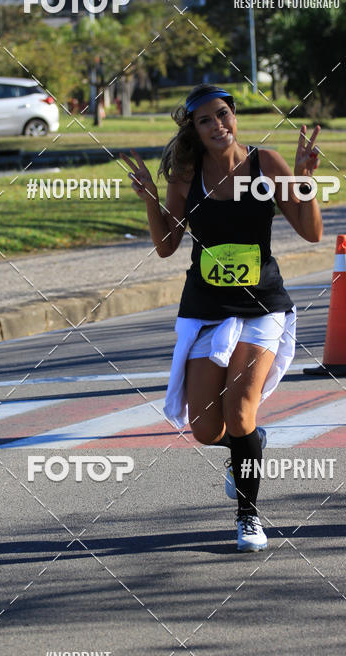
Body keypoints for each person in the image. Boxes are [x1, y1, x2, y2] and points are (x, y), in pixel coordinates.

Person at [120, 84, 322, 552]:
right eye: (206, 119)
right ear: (193, 127)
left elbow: (311, 232)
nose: (218, 125)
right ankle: (248, 445)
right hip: (207, 308)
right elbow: (167, 246)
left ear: (235, 117)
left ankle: (248, 517)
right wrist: (151, 197)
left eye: (224, 114)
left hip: (261, 306)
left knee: (240, 411)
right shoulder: (187, 175)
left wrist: (305, 181)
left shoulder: (264, 165)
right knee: (207, 428)